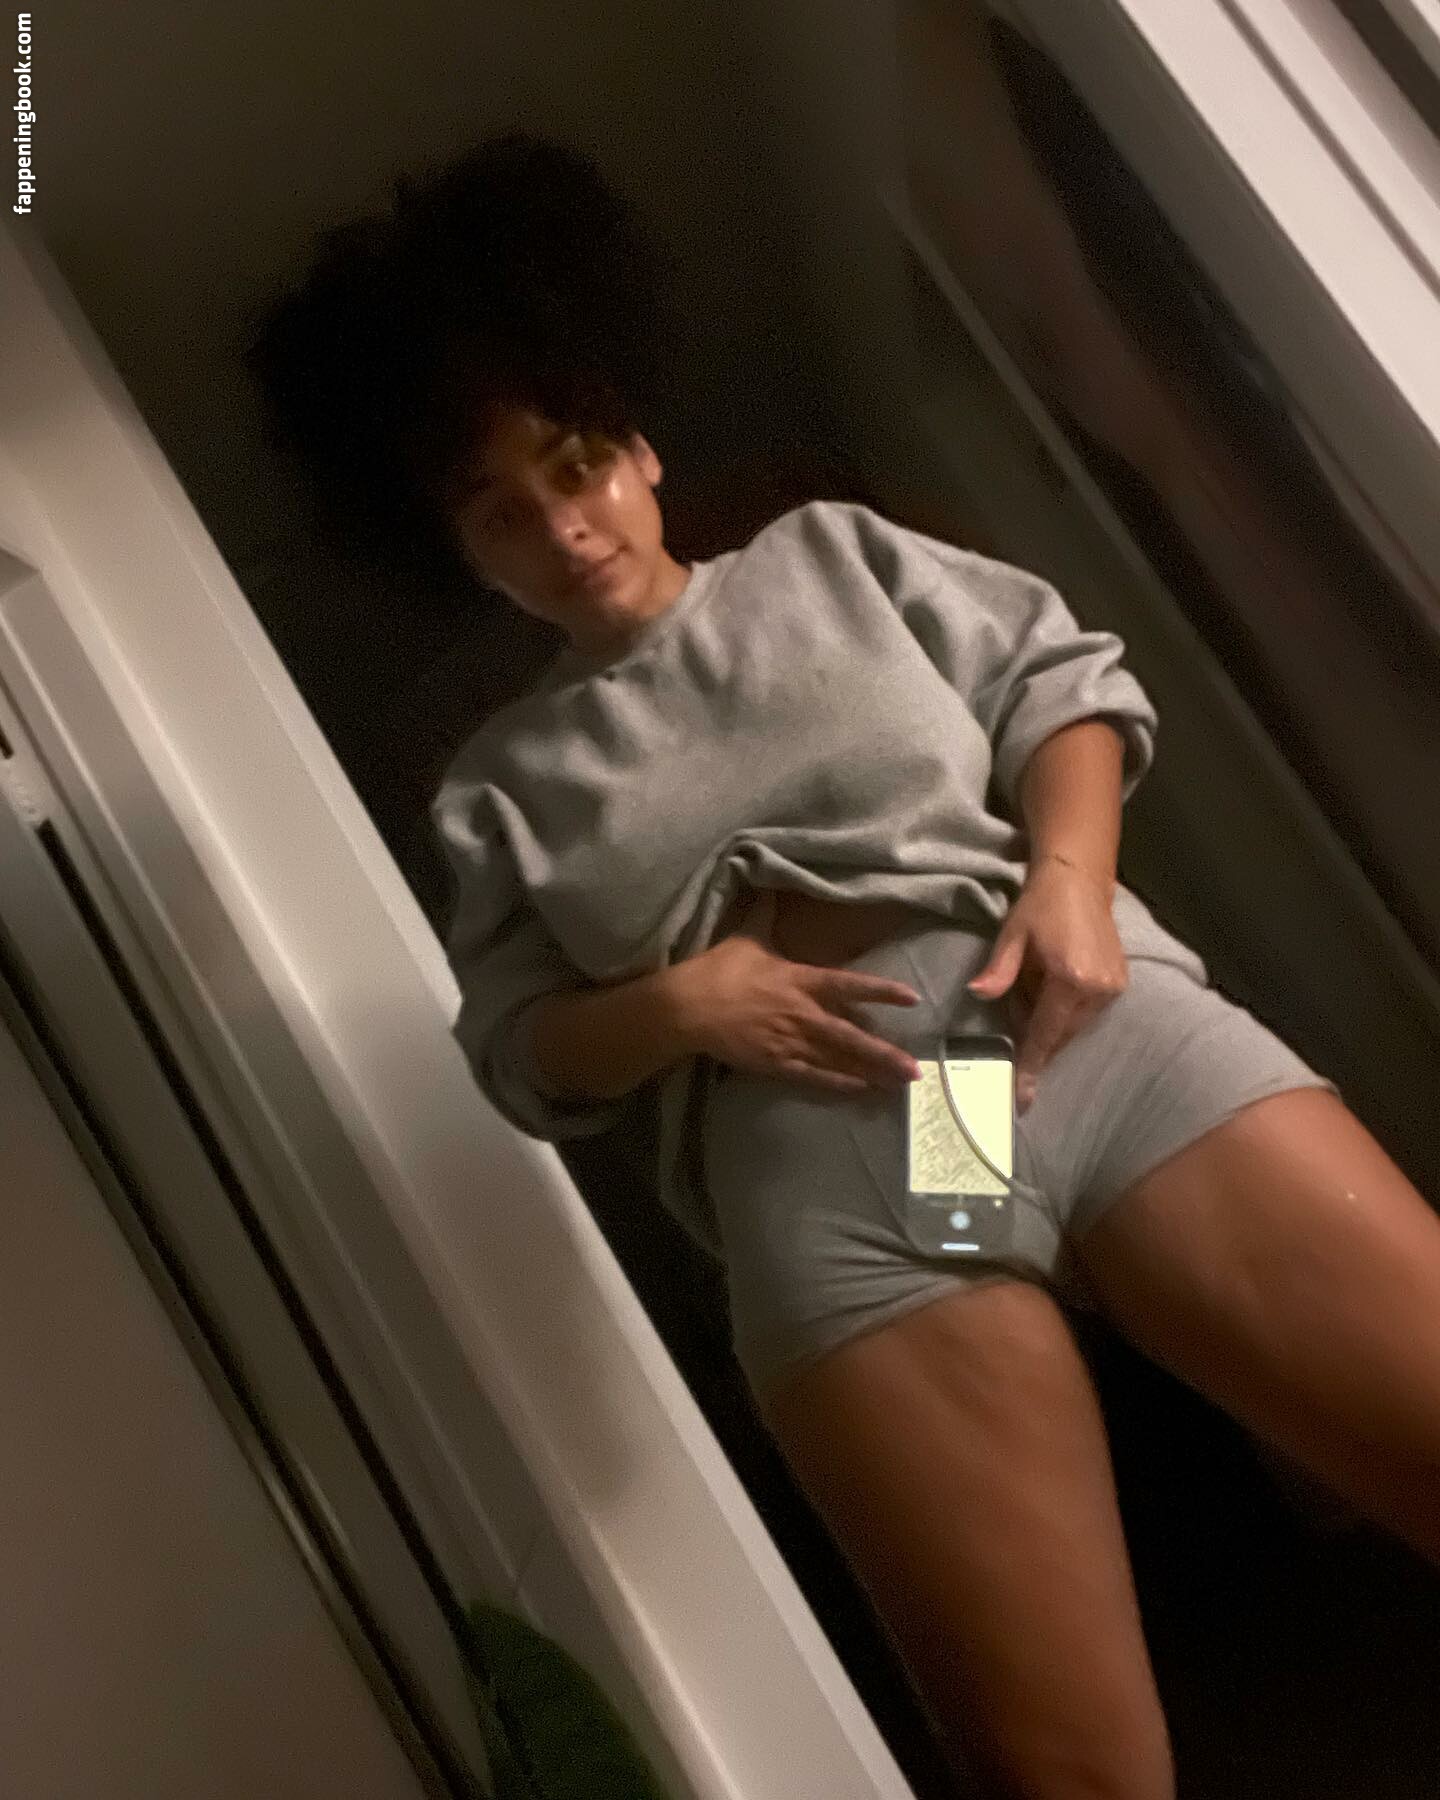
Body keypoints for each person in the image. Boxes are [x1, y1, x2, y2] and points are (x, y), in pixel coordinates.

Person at [245, 133, 1440, 1800]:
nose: (564, 528)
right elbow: (519, 1053)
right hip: (833, 1189)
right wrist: (675, 1006)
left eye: (577, 466)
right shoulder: (496, 786)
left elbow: (1063, 686)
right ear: (457, 553)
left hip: (1056, 1035)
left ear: (639, 447)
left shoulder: (831, 557)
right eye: (501, 512)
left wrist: (1076, 885)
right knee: (1069, 1775)